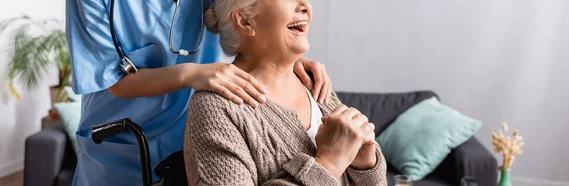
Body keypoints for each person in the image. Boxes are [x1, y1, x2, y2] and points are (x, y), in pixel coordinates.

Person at [65, 0, 333, 185]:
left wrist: (284, 59)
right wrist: (192, 74)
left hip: (197, 142)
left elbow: (250, 18)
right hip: (118, 150)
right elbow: (114, 80)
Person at [183, 0, 387, 185]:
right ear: (245, 21)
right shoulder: (215, 108)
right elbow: (331, 164)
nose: (306, 5)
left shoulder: (314, 83)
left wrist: (364, 166)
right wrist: (329, 163)